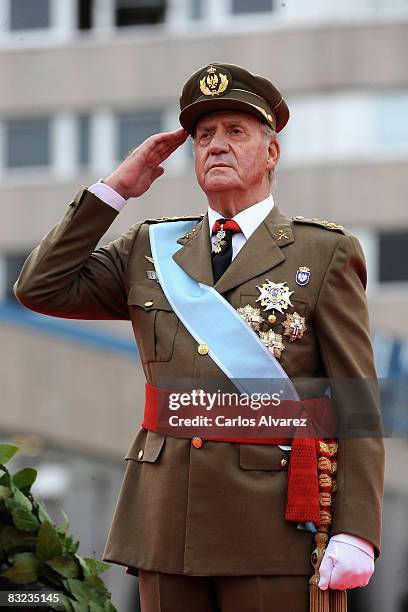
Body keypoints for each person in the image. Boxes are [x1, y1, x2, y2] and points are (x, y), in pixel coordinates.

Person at [14, 63, 384, 612]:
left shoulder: (320, 252)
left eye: (235, 132)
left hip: (275, 525)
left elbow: (355, 401)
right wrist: (115, 191)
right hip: (164, 520)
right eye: (204, 136)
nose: (216, 146)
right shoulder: (149, 248)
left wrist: (358, 529)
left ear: (271, 153)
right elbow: (40, 287)